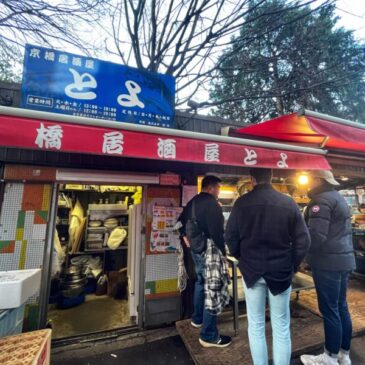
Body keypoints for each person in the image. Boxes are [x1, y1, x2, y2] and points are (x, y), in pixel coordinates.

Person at [225, 168, 311, 365]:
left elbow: (230, 237)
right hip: (281, 271)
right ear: (272, 177)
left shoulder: (242, 203)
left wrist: (242, 259)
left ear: (252, 179)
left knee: (255, 325)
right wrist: (293, 265)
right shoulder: (288, 202)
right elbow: (304, 241)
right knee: (281, 326)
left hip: (252, 271)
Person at [300, 170, 356, 365]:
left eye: (310, 178)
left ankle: (329, 357)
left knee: (330, 309)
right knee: (341, 307)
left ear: (318, 179)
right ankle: (344, 354)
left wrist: (301, 252)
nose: (307, 183)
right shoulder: (338, 198)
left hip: (328, 263)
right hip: (344, 260)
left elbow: (316, 236)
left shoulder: (320, 201)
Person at [178, 175, 232, 348]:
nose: (219, 191)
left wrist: (185, 238)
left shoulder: (193, 202)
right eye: (219, 188)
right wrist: (223, 255)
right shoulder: (212, 205)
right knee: (213, 290)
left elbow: (179, 223)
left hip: (196, 250)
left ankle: (197, 319)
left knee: (201, 283)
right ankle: (208, 336)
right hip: (210, 252)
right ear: (211, 188)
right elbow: (218, 235)